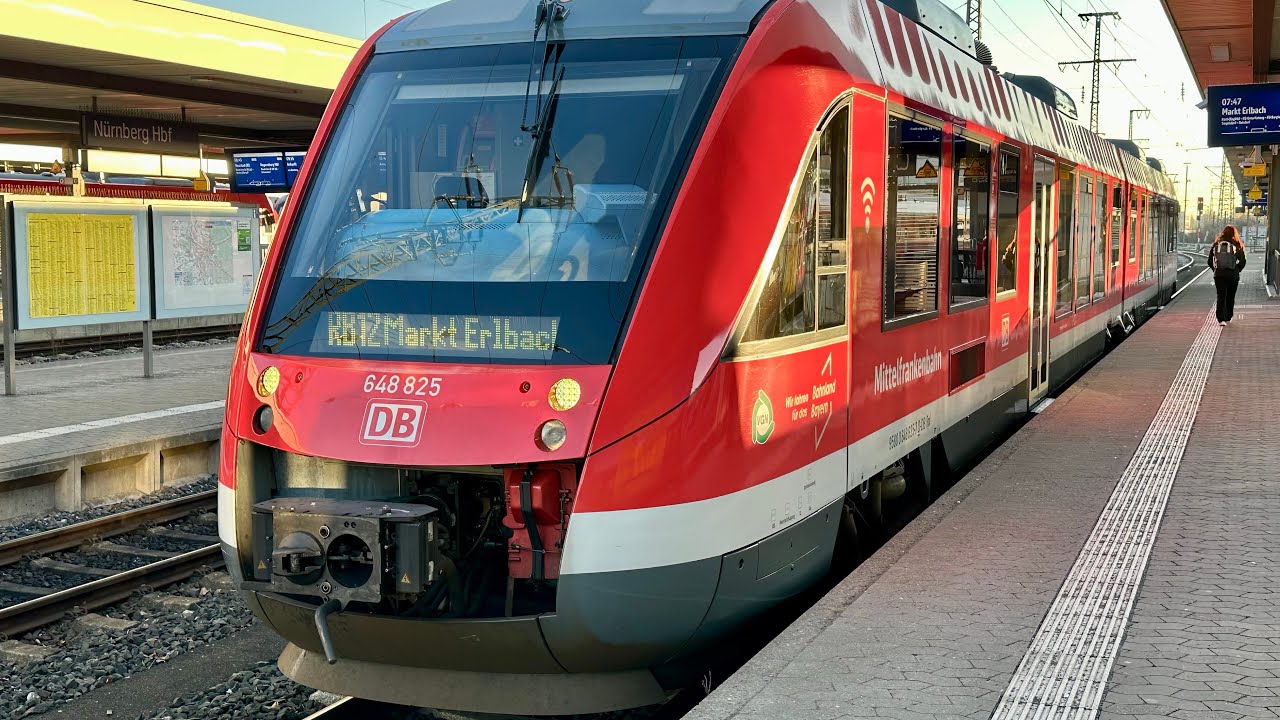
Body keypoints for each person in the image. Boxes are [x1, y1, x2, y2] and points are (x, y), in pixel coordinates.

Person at [1207, 225, 1246, 326]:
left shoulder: (1217, 244)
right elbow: (1243, 261)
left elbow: (1209, 261)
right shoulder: (1237, 244)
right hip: (1233, 274)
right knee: (1230, 296)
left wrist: (1216, 269)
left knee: (1221, 296)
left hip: (1219, 274)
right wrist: (1237, 269)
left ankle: (1221, 319)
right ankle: (1228, 316)